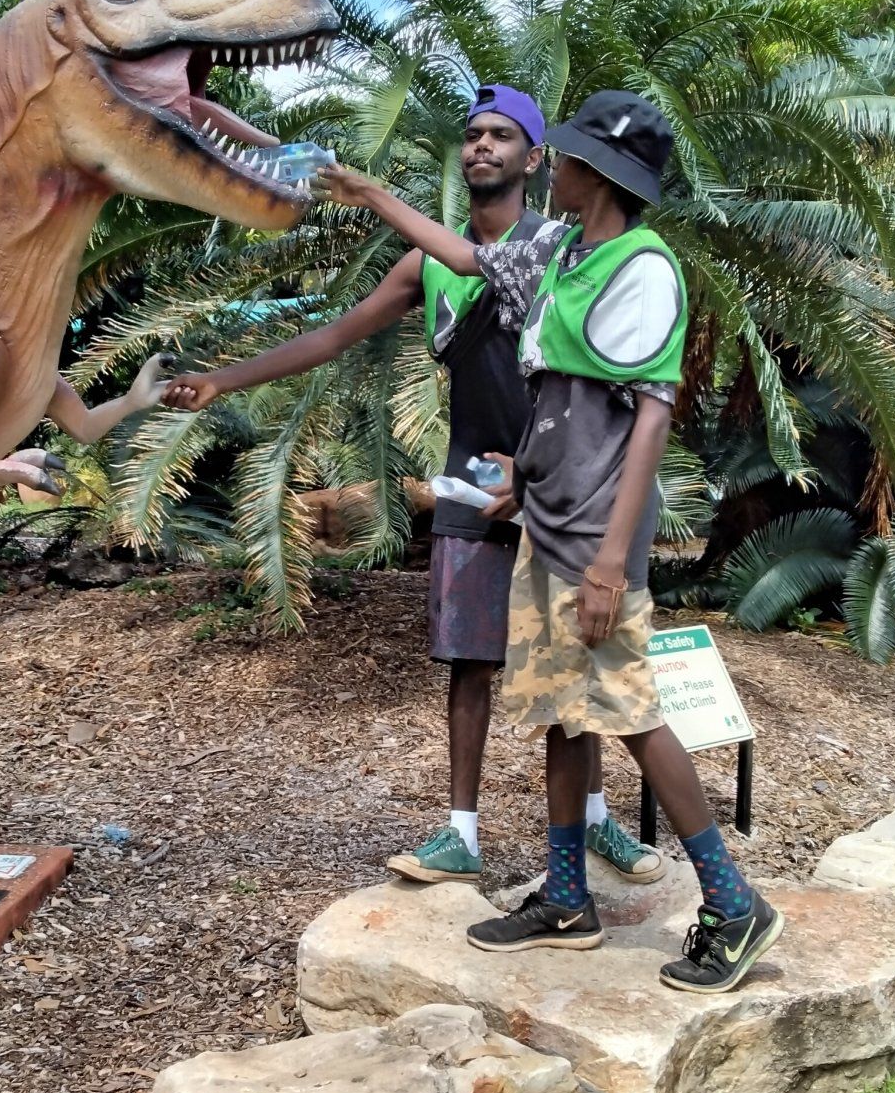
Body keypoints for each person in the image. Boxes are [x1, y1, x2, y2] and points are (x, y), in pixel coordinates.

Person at [317, 91, 782, 993]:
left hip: (594, 532)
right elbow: (473, 267)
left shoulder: (643, 269)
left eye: (563, 157)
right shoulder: (567, 250)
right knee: (565, 708)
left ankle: (734, 904)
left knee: (629, 709)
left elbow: (646, 417)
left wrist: (611, 560)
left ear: (597, 175)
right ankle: (568, 896)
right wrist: (519, 480)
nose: (549, 166)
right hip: (547, 514)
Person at [162, 88, 659, 890]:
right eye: (471, 136)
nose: (481, 147)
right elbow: (331, 335)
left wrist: (545, 489)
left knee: (575, 666)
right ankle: (460, 834)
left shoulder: (562, 250)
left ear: (536, 160)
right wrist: (223, 380)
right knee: (469, 660)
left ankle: (596, 822)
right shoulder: (427, 263)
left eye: (502, 136)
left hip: (557, 491)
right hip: (470, 482)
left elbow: (628, 389)